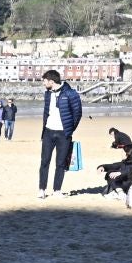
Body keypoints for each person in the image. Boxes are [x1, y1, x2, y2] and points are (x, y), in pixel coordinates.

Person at [35, 70, 82, 199]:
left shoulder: (71, 93)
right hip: (48, 132)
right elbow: (46, 113)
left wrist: (69, 129)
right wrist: (44, 130)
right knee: (44, 162)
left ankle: (57, 190)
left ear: (51, 81)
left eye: (45, 81)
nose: (43, 83)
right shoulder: (47, 94)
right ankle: (42, 190)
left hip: (63, 134)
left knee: (60, 163)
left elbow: (77, 113)